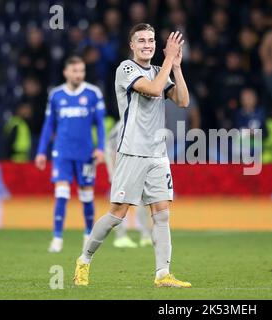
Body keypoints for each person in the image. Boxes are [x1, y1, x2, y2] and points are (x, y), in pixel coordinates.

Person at [73, 24, 191, 288]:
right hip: (132, 151)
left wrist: (177, 67)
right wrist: (168, 59)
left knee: (161, 214)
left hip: (157, 155)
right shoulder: (127, 69)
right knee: (117, 213)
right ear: (133, 46)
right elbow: (152, 90)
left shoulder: (160, 71)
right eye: (142, 41)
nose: (147, 44)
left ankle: (163, 274)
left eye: (151, 39)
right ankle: (84, 259)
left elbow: (183, 101)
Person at [35, 56, 106, 253]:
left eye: (81, 71)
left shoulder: (93, 93)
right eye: (75, 71)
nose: (78, 75)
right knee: (61, 194)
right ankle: (57, 238)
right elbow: (49, 125)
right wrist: (41, 151)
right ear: (66, 72)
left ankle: (88, 236)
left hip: (86, 154)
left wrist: (100, 148)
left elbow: (100, 124)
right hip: (62, 152)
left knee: (87, 195)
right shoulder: (56, 95)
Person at [105, 121, 153, 248]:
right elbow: (110, 146)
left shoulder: (143, 123)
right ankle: (120, 236)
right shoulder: (123, 123)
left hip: (134, 166)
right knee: (120, 203)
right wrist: (112, 170)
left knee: (142, 201)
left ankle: (145, 235)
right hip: (120, 168)